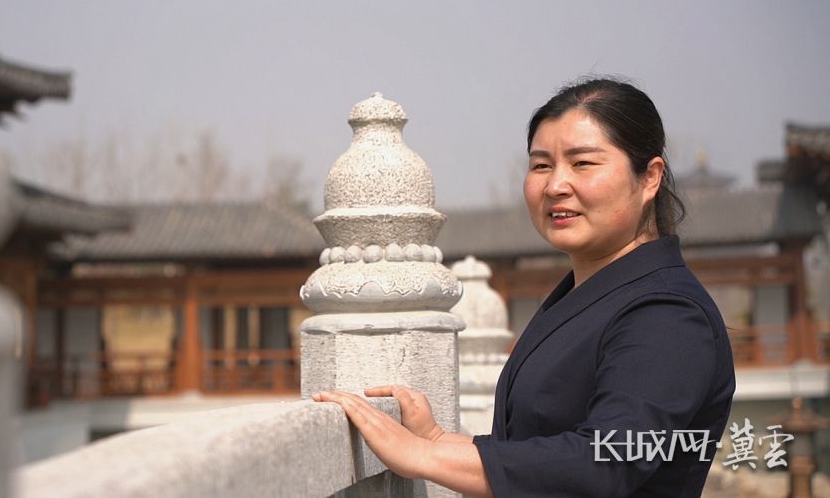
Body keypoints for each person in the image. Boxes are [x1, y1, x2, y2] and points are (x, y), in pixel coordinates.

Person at [313, 78, 736, 497]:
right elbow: (540, 447)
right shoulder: (587, 295)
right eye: (541, 165)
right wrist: (438, 440)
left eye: (583, 163)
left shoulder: (667, 314)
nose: (555, 185)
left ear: (649, 178)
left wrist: (422, 456)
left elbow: (604, 461)